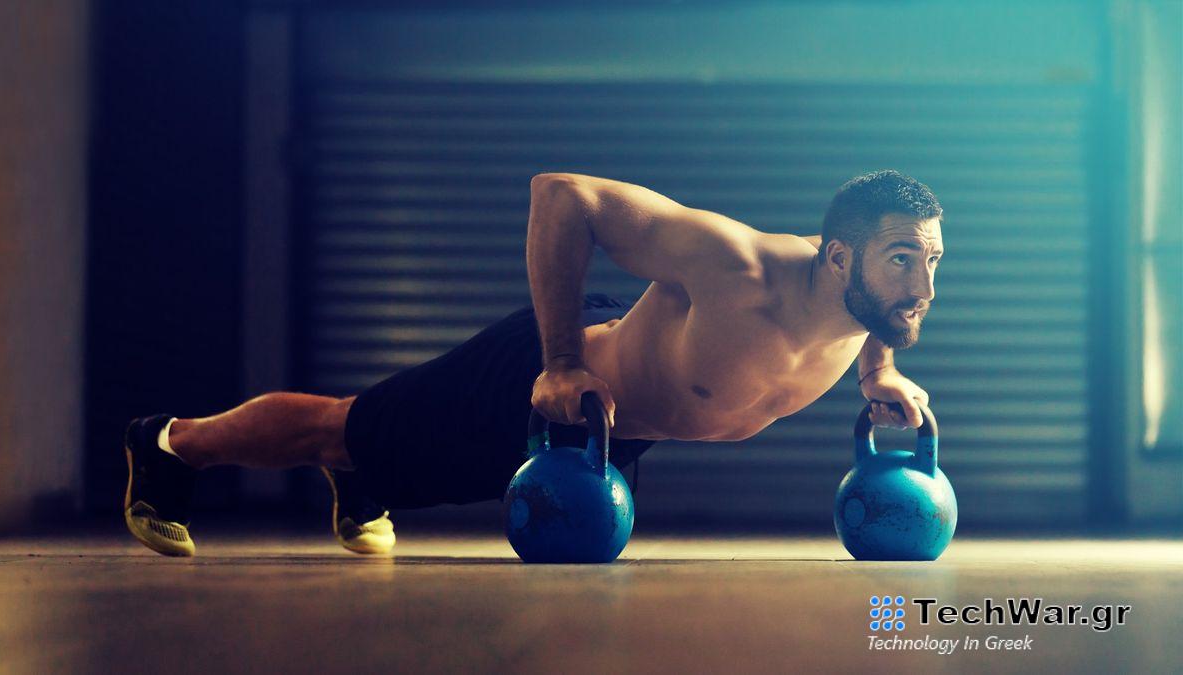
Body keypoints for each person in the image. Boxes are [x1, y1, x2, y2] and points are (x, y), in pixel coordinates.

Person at [123, 169, 942, 557]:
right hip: (557, 384)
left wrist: (878, 375)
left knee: (396, 459)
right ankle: (168, 445)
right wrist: (556, 362)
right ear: (838, 255)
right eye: (903, 259)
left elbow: (881, 321)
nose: (924, 286)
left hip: (612, 437)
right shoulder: (738, 265)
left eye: (934, 260)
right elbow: (562, 195)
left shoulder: (863, 302)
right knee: (343, 427)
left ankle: (365, 474)